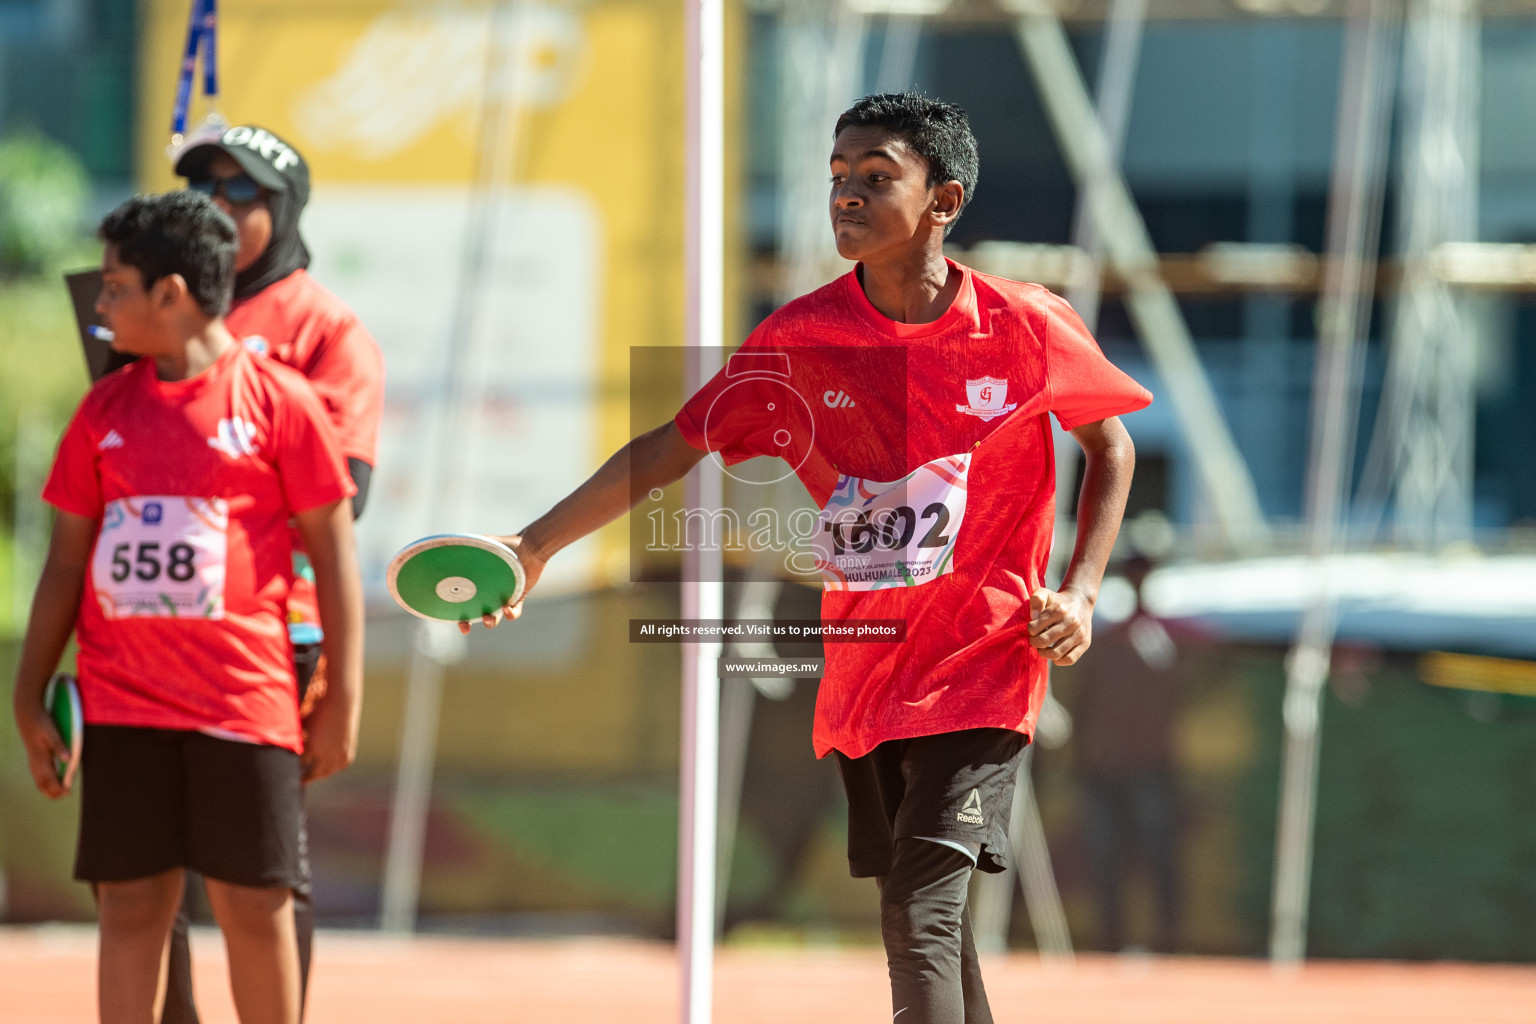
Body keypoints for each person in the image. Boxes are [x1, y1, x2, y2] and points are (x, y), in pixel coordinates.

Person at [468, 93, 1150, 1022]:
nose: (847, 197)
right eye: (837, 178)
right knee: (932, 928)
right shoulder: (797, 340)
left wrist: (1080, 589)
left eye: (876, 178)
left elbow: (1110, 446)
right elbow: (671, 447)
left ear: (943, 200)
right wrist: (533, 544)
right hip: (866, 676)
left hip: (984, 667)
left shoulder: (1026, 324)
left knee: (921, 915)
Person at [10, 190, 364, 1024]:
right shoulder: (103, 412)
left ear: (171, 294)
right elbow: (66, 561)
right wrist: (28, 693)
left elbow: (336, 550)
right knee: (130, 909)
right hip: (125, 705)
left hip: (244, 704)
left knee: (255, 907)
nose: (98, 304)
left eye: (114, 285)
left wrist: (343, 693)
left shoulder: (281, 403)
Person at [158, 124, 386, 1024]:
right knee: (149, 869)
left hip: (270, 634)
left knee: (262, 866)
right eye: (202, 188)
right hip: (153, 629)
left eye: (240, 192)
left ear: (283, 209)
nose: (218, 206)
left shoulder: (324, 330)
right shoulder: (158, 315)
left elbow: (341, 500)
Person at [1067, 554, 1183, 953]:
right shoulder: (1108, 637)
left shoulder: (1164, 635)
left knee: (1156, 855)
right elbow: (1086, 703)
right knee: (1106, 857)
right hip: (1107, 767)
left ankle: (1167, 939)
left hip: (1149, 765)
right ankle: (1111, 939)